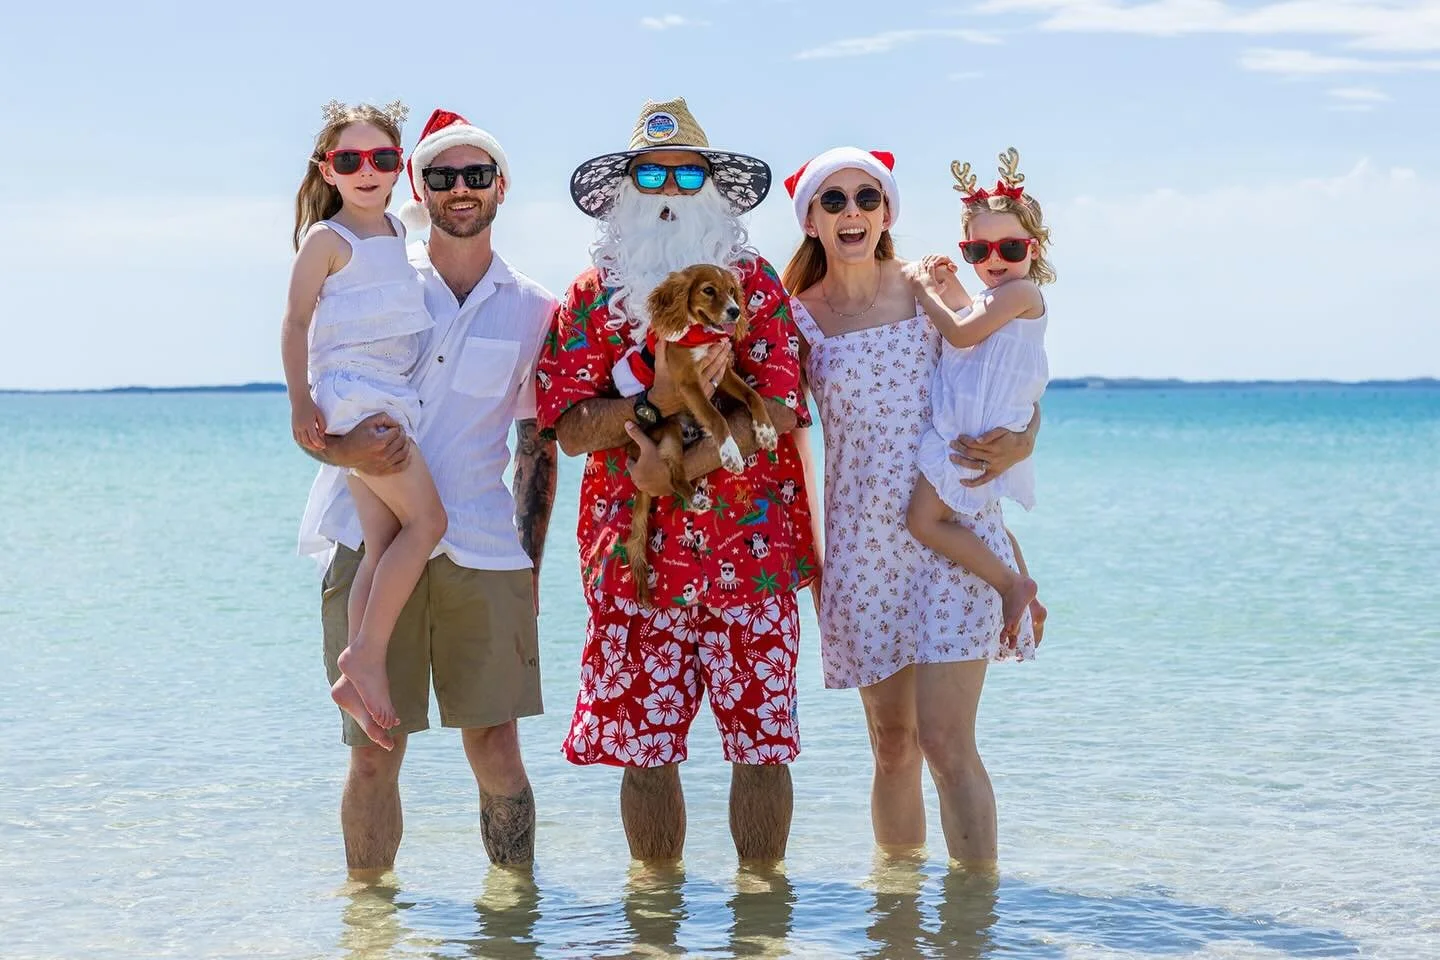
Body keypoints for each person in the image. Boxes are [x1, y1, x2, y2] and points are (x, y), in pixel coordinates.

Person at [535, 97, 817, 864]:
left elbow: (781, 406)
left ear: (713, 190)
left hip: (749, 560)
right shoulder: (592, 296)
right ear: (626, 189)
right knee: (643, 753)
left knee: (763, 749)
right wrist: (656, 400)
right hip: (636, 567)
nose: (668, 190)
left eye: (687, 176)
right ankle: (655, 913)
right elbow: (567, 427)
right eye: (651, 174)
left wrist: (677, 469)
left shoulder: (754, 287)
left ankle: (763, 913)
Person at [296, 107, 557, 873]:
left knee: (498, 748)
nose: (460, 187)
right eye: (443, 175)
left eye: (477, 174)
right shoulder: (378, 273)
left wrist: (532, 565)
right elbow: (323, 382)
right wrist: (341, 447)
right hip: (366, 537)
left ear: (502, 186)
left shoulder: (536, 309)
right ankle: (368, 921)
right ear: (419, 185)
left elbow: (537, 445)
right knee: (375, 752)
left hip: (486, 547)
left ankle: (515, 910)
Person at [781, 146, 1040, 865]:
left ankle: (975, 911)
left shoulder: (929, 286)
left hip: (952, 535)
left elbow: (1007, 377)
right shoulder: (795, 319)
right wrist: (810, 556)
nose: (853, 212)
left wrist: (1025, 437)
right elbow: (785, 442)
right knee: (892, 746)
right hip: (862, 551)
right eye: (834, 200)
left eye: (867, 197)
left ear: (886, 211)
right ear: (811, 220)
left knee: (946, 742)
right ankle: (896, 910)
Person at [282, 100, 446, 744]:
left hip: (391, 393)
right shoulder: (327, 240)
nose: (367, 171)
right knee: (428, 523)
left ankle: (356, 672)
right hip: (354, 396)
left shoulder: (399, 234)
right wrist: (302, 403)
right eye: (349, 160)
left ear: (399, 166)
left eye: (381, 158)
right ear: (328, 170)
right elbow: (295, 323)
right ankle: (366, 657)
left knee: (383, 545)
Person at [903, 148, 1053, 639]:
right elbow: (970, 318)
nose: (994, 261)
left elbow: (961, 333)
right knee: (979, 520)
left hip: (978, 432)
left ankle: (1011, 585)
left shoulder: (1023, 293)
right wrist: (948, 286)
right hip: (978, 427)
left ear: (1034, 249)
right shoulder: (997, 297)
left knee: (924, 521)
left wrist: (923, 291)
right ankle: (1029, 598)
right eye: (978, 252)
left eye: (1010, 248)